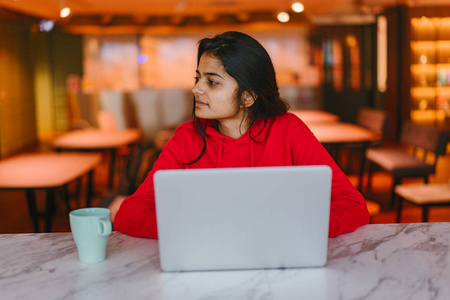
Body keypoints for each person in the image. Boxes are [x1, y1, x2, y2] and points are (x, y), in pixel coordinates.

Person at [114, 31, 370, 238]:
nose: (196, 89)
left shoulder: (288, 130)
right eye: (198, 78)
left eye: (212, 82)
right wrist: (207, 231)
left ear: (248, 96)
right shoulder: (187, 137)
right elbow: (131, 213)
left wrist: (293, 230)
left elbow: (352, 206)